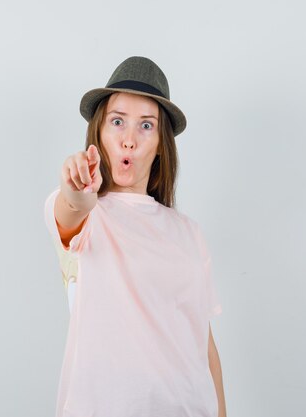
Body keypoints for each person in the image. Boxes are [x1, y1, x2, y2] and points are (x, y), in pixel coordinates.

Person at [44, 56, 226, 417]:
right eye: (117, 122)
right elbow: (72, 207)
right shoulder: (88, 215)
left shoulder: (188, 232)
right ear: (99, 133)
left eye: (146, 125)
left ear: (161, 144)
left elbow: (203, 343)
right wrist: (78, 188)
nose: (129, 139)